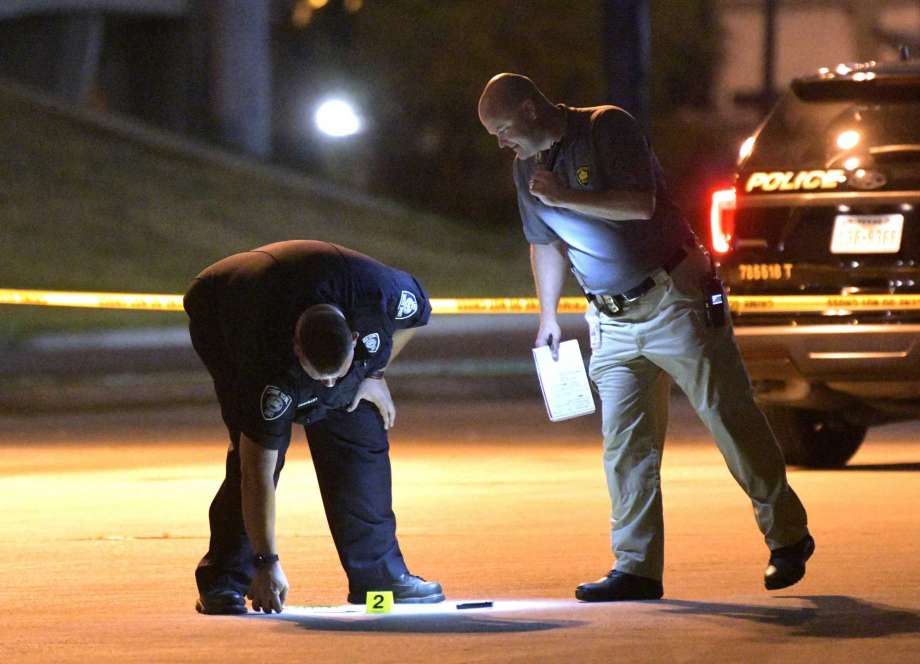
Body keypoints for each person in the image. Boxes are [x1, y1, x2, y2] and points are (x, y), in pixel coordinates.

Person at [478, 73, 814, 601]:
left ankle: (788, 536)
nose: (502, 143)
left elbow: (640, 204)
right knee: (624, 446)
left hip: (674, 298)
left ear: (529, 110)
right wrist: (548, 318)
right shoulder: (526, 171)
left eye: (503, 129)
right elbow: (543, 244)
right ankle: (636, 567)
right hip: (609, 321)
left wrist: (565, 195)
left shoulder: (606, 126)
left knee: (729, 416)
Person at [183, 240, 444, 614]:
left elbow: (418, 317)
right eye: (316, 377)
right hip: (222, 304)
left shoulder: (384, 296)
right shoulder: (267, 363)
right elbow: (257, 471)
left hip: (334, 284)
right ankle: (225, 579)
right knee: (253, 446)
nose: (326, 386)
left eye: (335, 375)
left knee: (358, 429)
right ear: (296, 349)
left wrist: (373, 374)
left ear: (355, 340)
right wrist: (266, 563)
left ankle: (378, 578)